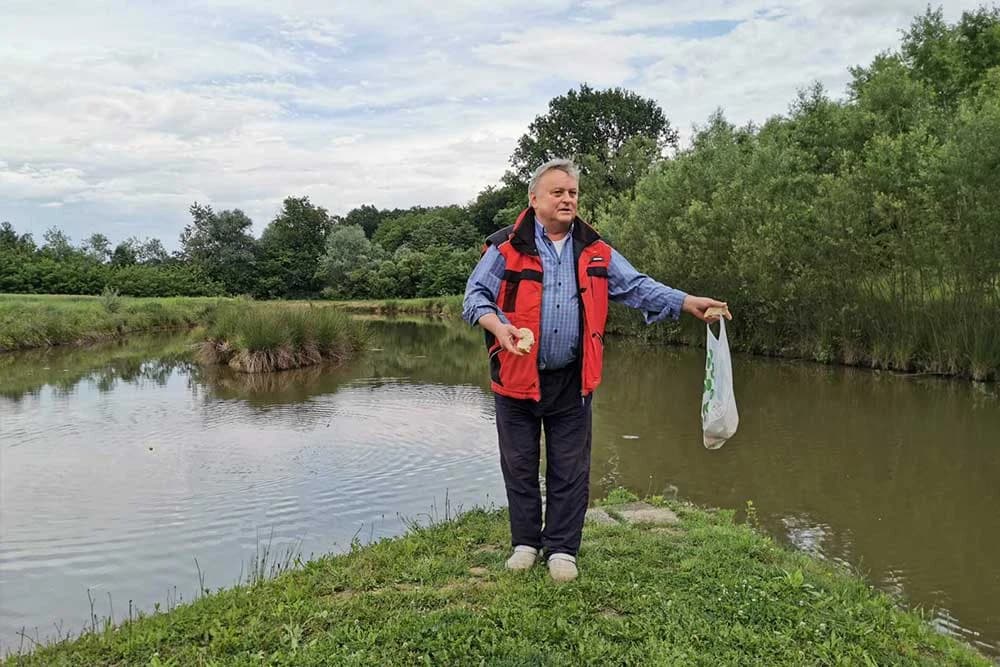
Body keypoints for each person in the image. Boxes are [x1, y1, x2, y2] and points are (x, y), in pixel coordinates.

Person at [463, 158, 729, 582]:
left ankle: (563, 550)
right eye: (558, 192)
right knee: (520, 464)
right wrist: (501, 326)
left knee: (571, 467)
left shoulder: (595, 250)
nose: (568, 199)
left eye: (572, 193)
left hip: (572, 379)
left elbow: (638, 286)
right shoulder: (504, 248)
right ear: (534, 200)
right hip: (515, 378)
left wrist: (684, 301)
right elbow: (475, 297)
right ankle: (526, 544)